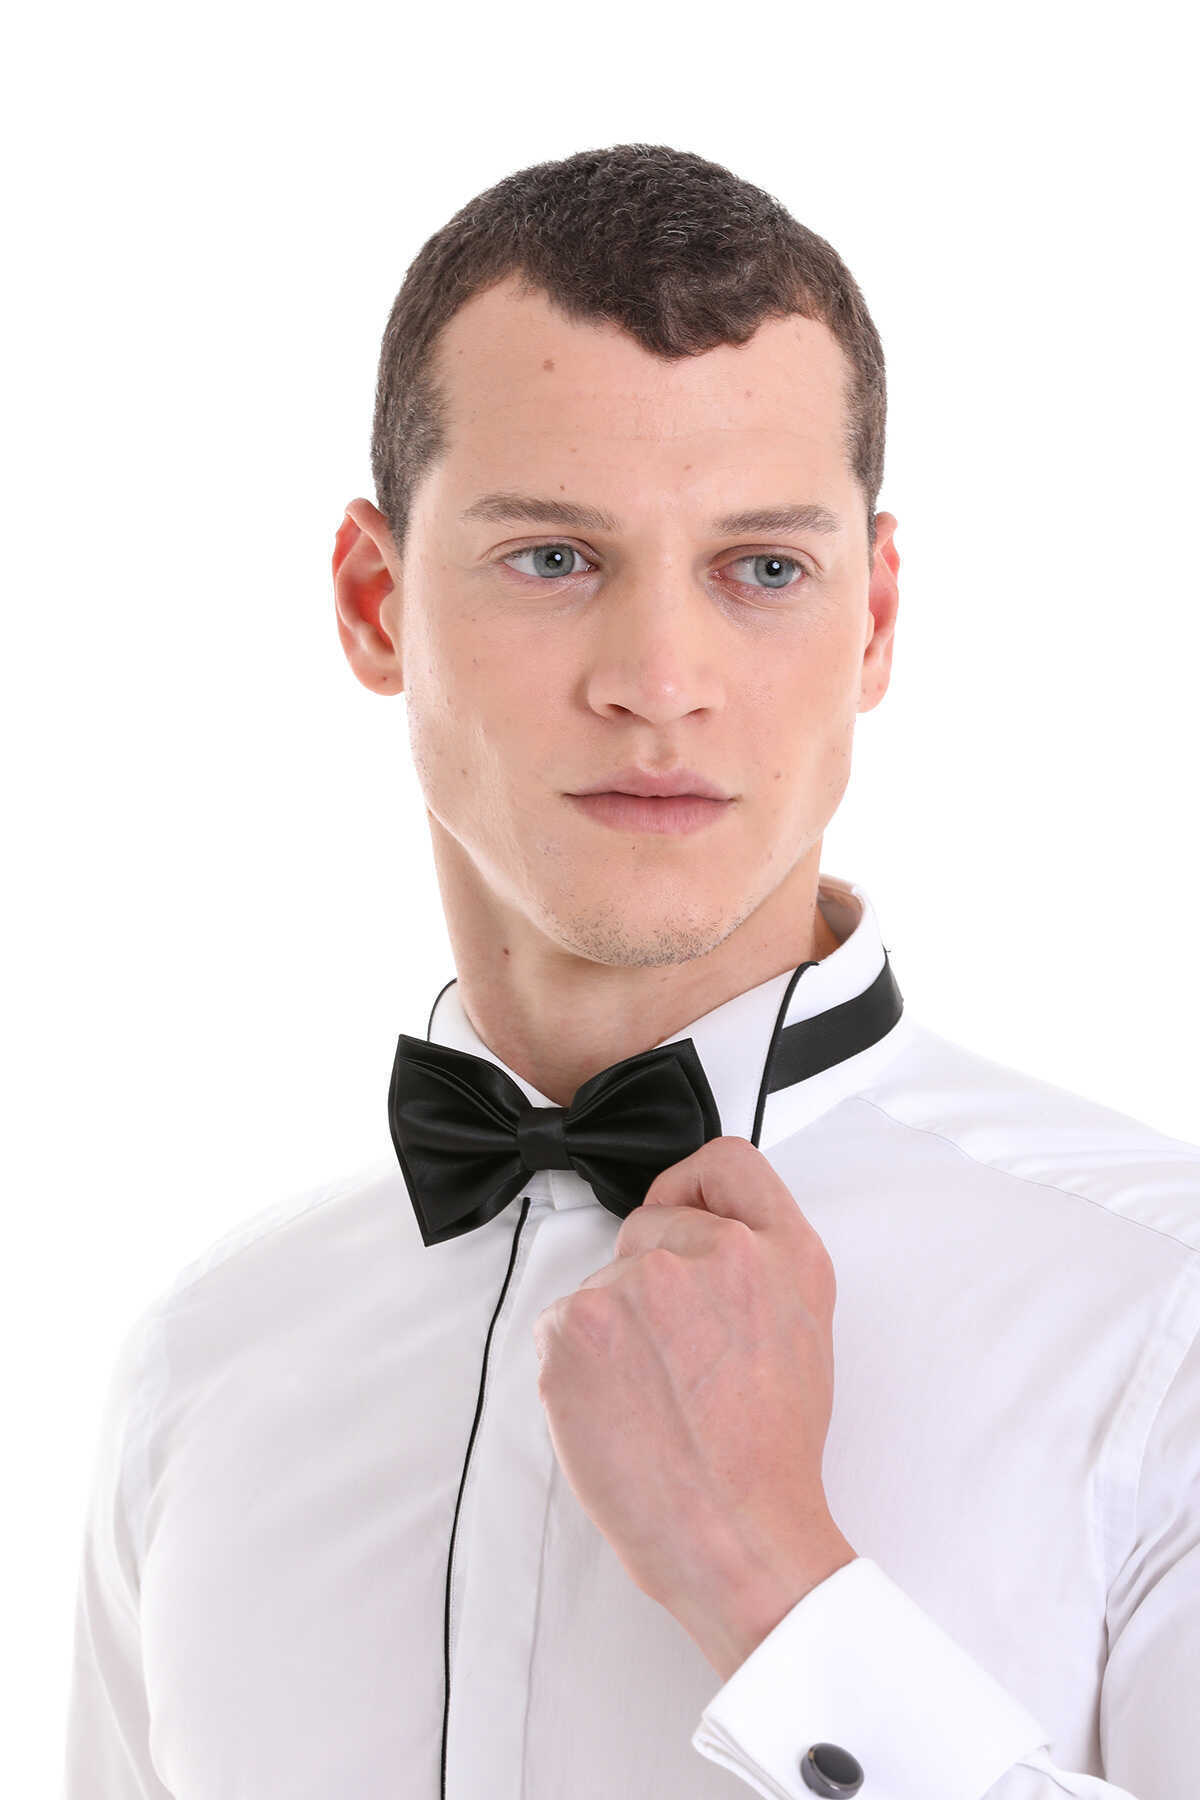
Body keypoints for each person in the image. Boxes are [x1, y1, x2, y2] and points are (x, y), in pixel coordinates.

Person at [62, 143, 1199, 1800]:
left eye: (763, 569)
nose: (660, 681)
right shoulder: (207, 1362)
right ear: (376, 604)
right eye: (554, 557)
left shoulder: (1160, 1317)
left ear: (875, 622)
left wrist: (774, 1583)